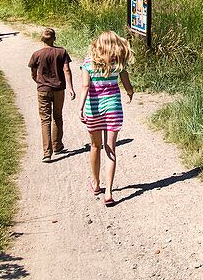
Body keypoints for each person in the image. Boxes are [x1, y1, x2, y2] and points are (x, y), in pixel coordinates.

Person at [78, 31, 134, 206]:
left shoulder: (88, 62)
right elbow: (127, 85)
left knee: (95, 147)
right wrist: (130, 93)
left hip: (93, 109)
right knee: (111, 149)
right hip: (113, 110)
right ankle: (109, 192)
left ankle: (96, 183)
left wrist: (80, 107)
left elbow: (85, 86)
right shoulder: (118, 64)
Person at [28, 28, 76, 162]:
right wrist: (71, 88)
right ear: (54, 39)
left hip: (43, 89)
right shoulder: (62, 52)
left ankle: (46, 153)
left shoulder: (36, 54)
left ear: (42, 39)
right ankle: (57, 145)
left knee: (45, 120)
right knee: (57, 116)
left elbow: (33, 72)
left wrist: (38, 81)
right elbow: (67, 70)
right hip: (59, 88)